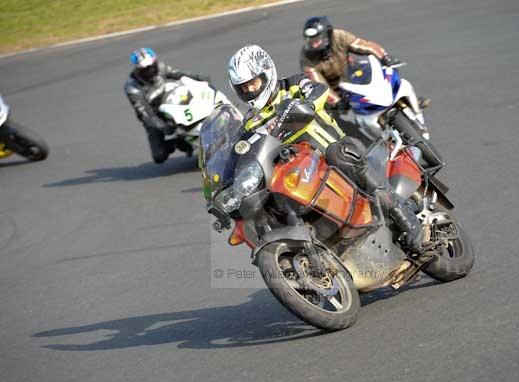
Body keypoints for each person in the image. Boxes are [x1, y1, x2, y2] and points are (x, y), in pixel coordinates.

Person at [227, 44, 423, 252]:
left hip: (330, 149)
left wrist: (308, 103)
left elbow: (318, 90)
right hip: (299, 168)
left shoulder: (292, 85)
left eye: (253, 83)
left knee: (339, 155)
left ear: (266, 73)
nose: (249, 90)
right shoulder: (250, 122)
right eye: (243, 88)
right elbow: (246, 151)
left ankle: (403, 217)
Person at [300, 16, 430, 112]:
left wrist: (384, 57)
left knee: (384, 72)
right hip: (336, 90)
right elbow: (319, 84)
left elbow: (364, 46)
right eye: (311, 41)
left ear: (327, 34)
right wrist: (337, 101)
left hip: (352, 72)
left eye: (317, 40)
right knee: (338, 119)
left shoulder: (339, 36)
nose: (314, 44)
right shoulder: (307, 58)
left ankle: (409, 101)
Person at [124, 47, 210, 163]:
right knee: (159, 156)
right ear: (138, 70)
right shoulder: (132, 87)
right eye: (146, 69)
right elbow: (144, 112)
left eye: (152, 66)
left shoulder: (160, 67)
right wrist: (162, 126)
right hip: (153, 113)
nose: (151, 70)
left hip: (168, 100)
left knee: (191, 96)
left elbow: (177, 74)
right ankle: (178, 142)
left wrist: (199, 78)